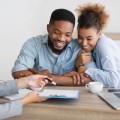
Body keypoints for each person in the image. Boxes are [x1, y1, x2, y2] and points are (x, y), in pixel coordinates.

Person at [11, 8, 94, 86]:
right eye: (56, 32)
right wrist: (66, 79)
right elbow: (18, 72)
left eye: (67, 34)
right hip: (37, 95)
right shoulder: (33, 44)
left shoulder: (80, 48)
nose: (61, 39)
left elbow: (89, 79)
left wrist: (51, 77)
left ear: (72, 32)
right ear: (48, 28)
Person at [75, 3, 120, 88]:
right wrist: (79, 65)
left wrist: (87, 70)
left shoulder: (103, 45)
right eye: (80, 37)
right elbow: (91, 73)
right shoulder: (89, 48)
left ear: (99, 34)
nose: (84, 43)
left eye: (89, 39)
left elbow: (113, 81)